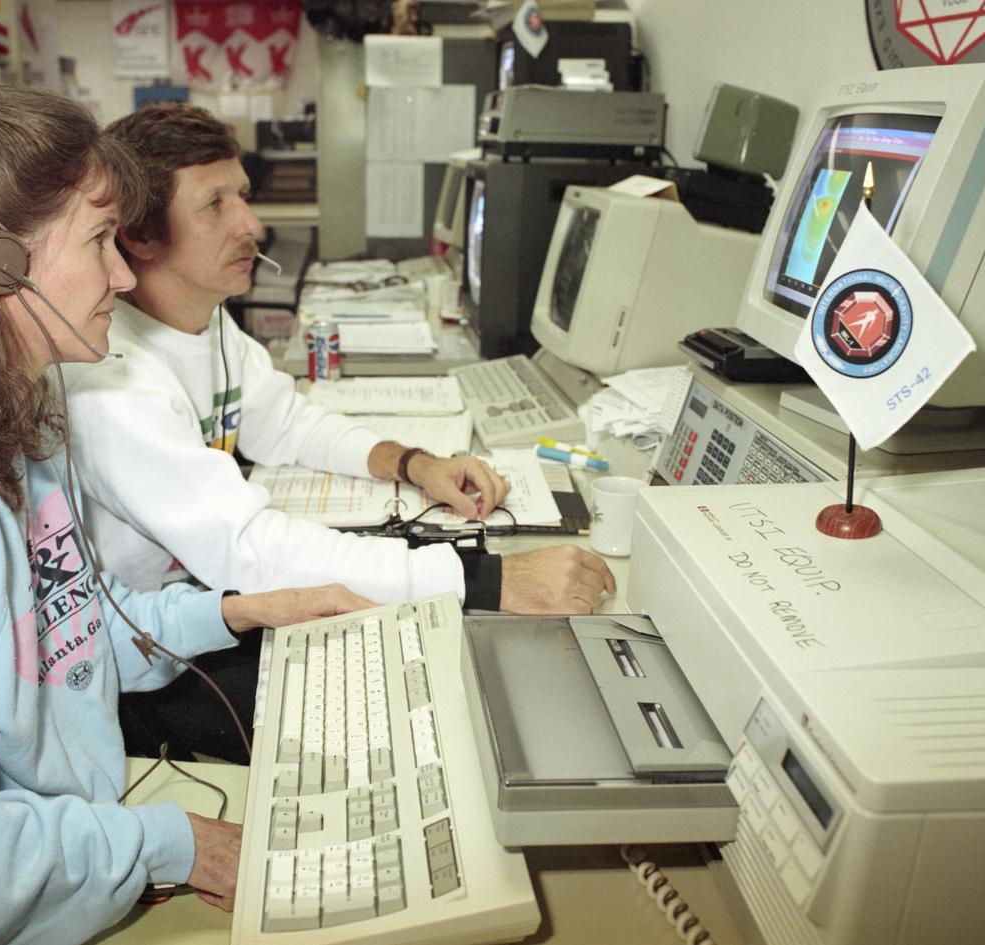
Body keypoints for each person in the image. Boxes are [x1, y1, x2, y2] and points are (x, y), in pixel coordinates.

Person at [0, 84, 373, 945]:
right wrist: (172, 844)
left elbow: (65, 638)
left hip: (55, 845)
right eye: (100, 240)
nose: (125, 274)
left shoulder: (12, 421)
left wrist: (244, 610)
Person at [61, 102, 616, 760]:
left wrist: (412, 463)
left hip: (207, 606)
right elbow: (254, 552)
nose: (251, 223)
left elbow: (286, 420)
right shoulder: (111, 384)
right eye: (215, 205)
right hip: (150, 662)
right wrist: (489, 580)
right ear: (142, 237)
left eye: (243, 195)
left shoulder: (200, 320)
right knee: (418, 709)